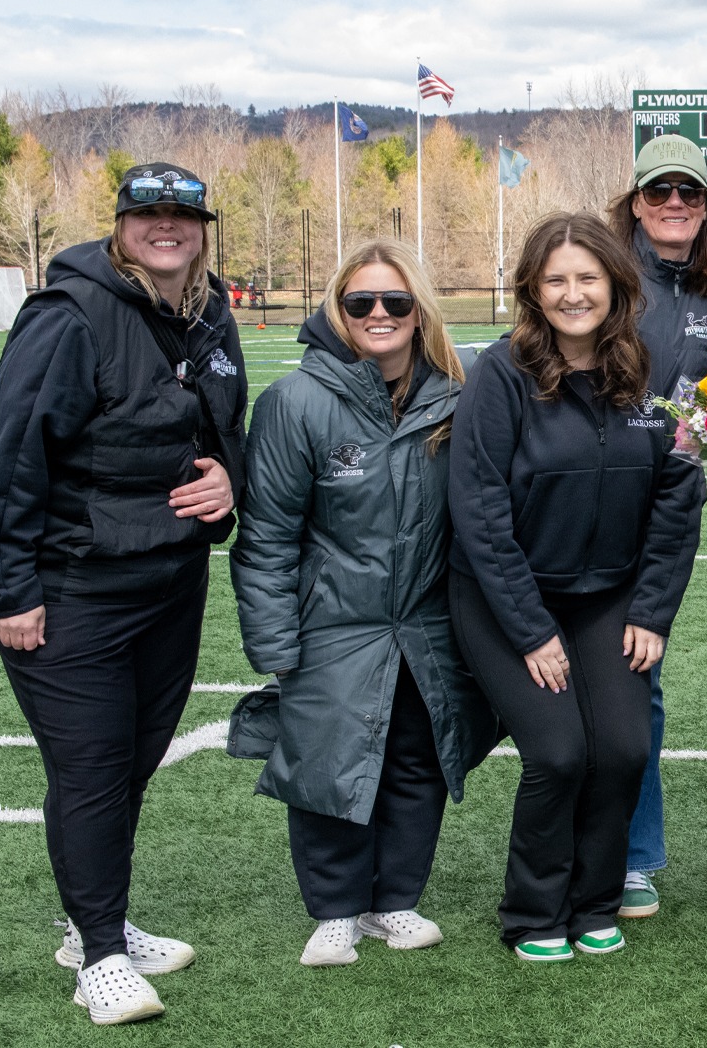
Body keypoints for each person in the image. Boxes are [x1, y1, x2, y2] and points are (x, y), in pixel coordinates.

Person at [0, 163, 243, 1025]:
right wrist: (10, 589)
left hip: (168, 581)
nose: (167, 227)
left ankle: (100, 918)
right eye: (148, 213)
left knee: (130, 761)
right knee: (88, 770)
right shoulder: (69, 314)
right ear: (120, 224)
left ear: (203, 227)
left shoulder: (209, 311)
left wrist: (229, 480)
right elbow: (12, 456)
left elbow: (225, 430)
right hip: (72, 584)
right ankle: (100, 954)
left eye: (183, 214)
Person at [229, 238, 494, 967]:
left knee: (417, 760)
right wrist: (276, 644)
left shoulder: (457, 392)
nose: (379, 314)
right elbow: (267, 537)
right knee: (328, 765)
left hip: (428, 623)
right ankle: (336, 908)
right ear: (338, 311)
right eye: (361, 302)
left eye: (396, 302)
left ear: (419, 311)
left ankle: (395, 899)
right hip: (334, 623)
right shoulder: (295, 402)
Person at [447, 212, 704, 961]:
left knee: (623, 749)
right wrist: (531, 630)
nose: (572, 293)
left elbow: (678, 497)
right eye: (555, 279)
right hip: (507, 597)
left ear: (616, 284)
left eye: (587, 277)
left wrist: (652, 611)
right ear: (532, 289)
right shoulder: (501, 375)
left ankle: (594, 903)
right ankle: (533, 913)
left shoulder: (653, 372)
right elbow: (480, 511)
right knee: (559, 753)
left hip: (610, 596)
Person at [606, 133, 707, 918]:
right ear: (634, 201)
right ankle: (584, 840)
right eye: (659, 192)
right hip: (588, 497)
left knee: (638, 676)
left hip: (669, 506)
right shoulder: (605, 272)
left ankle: (634, 857)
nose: (675, 205)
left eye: (689, 192)